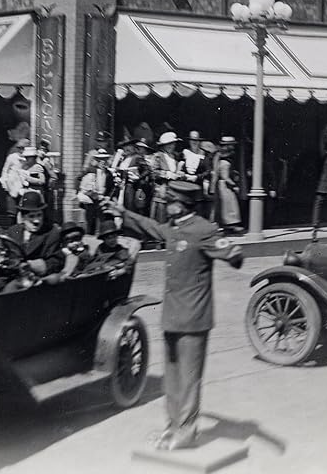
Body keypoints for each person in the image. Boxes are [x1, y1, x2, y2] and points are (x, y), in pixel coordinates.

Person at [102, 181, 244, 451]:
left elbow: (233, 254)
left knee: (189, 379)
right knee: (172, 377)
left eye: (169, 201)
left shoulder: (204, 229)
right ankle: (173, 427)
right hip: (172, 316)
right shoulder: (173, 228)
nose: (165, 206)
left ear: (182, 203)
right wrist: (122, 210)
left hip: (194, 318)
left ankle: (186, 433)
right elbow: (149, 226)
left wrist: (233, 254)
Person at [2, 190, 64, 289]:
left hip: (37, 280)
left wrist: (32, 265)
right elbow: (6, 254)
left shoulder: (52, 232)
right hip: (12, 274)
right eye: (31, 216)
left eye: (39, 215)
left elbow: (56, 261)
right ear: (22, 217)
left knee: (10, 289)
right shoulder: (13, 231)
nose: (36, 221)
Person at [76, 148, 114, 234]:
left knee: (103, 221)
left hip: (102, 200)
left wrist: (108, 197)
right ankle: (90, 235)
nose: (102, 162)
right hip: (91, 200)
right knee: (90, 221)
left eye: (104, 160)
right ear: (96, 160)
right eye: (100, 160)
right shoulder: (90, 171)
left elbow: (112, 187)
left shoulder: (109, 174)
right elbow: (79, 179)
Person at [212, 136, 242, 235]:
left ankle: (228, 226)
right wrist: (234, 185)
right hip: (225, 187)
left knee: (228, 206)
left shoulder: (222, 159)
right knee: (228, 205)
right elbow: (225, 176)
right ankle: (228, 225)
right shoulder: (224, 161)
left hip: (223, 185)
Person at [150, 132, 182, 223]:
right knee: (160, 216)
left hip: (172, 191)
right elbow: (153, 173)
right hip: (161, 191)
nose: (171, 146)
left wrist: (179, 174)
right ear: (163, 145)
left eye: (172, 144)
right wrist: (167, 174)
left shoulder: (175, 157)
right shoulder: (158, 156)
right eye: (168, 144)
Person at [0, 138, 30, 215]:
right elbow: (5, 171)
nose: (21, 150)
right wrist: (4, 184)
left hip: (23, 185)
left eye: (23, 148)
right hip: (11, 184)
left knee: (22, 209)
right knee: (11, 209)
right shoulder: (12, 157)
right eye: (19, 148)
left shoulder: (28, 159)